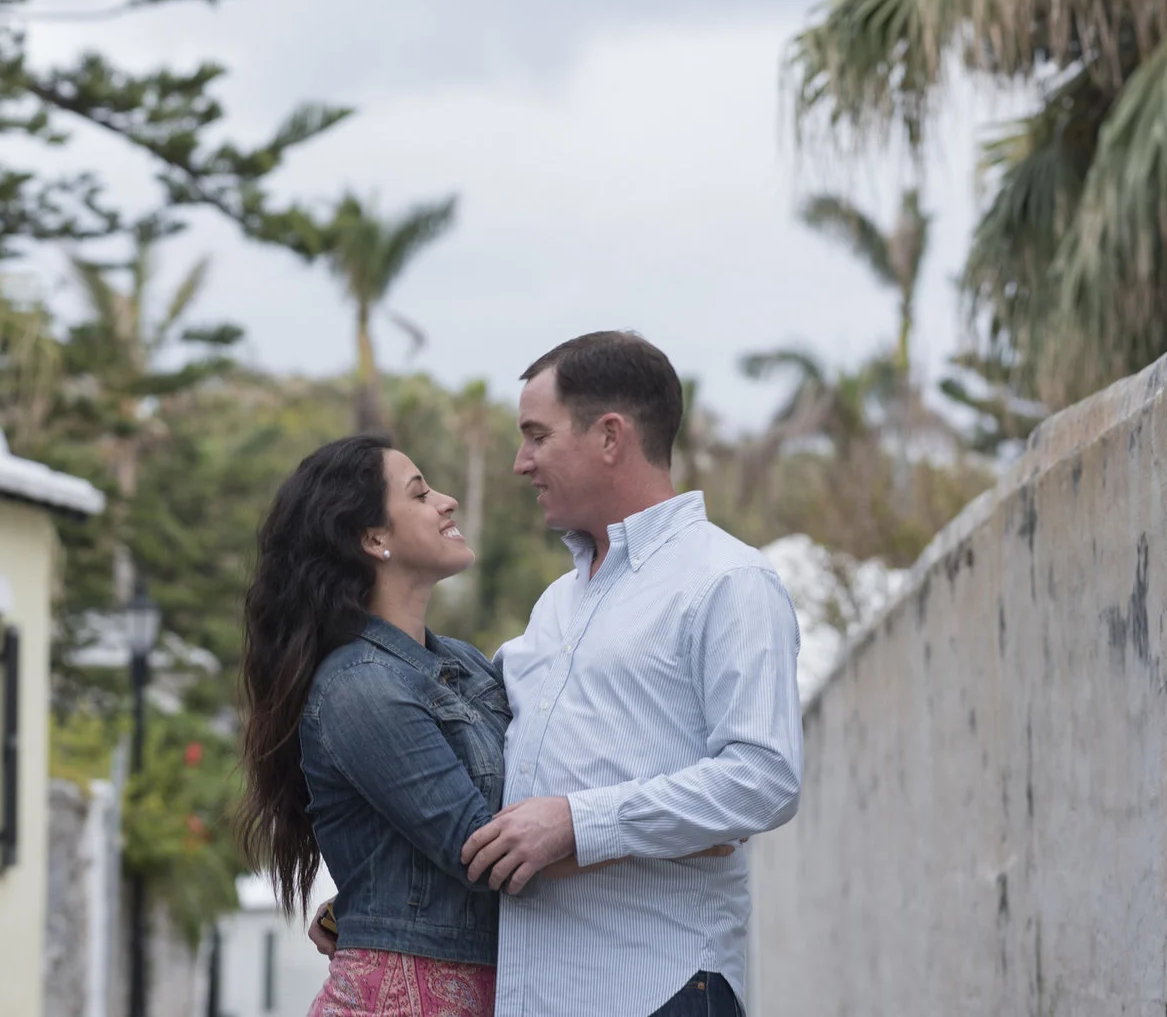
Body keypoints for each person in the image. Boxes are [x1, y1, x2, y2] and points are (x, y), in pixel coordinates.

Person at [460, 331, 804, 1017]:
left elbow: (764, 776)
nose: (520, 462)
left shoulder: (727, 579)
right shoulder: (556, 604)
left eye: (536, 435)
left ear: (610, 436)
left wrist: (579, 823)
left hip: (662, 991)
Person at [238, 435, 510, 1017]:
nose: (448, 501)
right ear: (373, 538)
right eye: (421, 494)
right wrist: (645, 837)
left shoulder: (461, 663)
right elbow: (481, 851)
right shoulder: (359, 687)